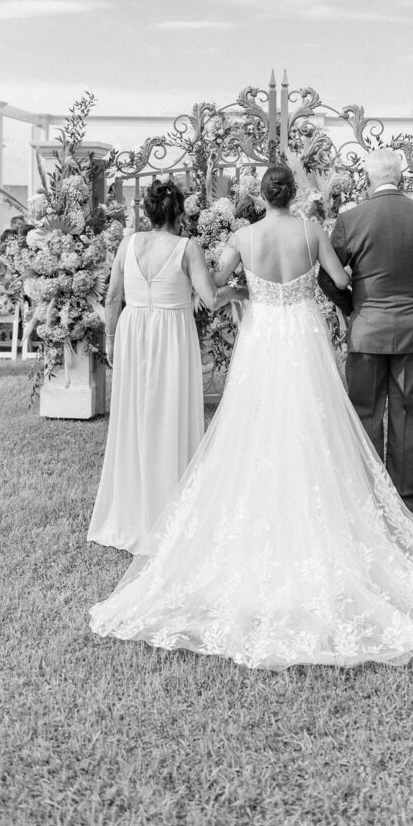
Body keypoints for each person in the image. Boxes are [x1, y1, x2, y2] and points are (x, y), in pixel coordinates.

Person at [89, 164, 413, 669]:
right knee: (314, 419)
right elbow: (339, 278)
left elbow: (217, 282)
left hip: (261, 337)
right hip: (302, 334)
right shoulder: (312, 230)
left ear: (260, 197)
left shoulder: (244, 235)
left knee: (252, 423)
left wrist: (243, 290)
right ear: (293, 194)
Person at [88, 181, 247, 555]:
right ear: (179, 214)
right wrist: (240, 292)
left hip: (133, 329)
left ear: (149, 213)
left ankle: (134, 505)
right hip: (171, 334)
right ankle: (170, 501)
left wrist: (111, 338)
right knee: (168, 411)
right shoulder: (187, 247)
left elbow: (112, 297)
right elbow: (209, 298)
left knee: (136, 414)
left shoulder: (127, 244)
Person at [318, 149, 413, 509]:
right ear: (402, 179)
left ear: (367, 179)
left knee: (365, 413)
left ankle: (368, 497)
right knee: (408, 416)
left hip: (367, 332)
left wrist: (353, 309)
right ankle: (404, 500)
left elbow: (327, 279)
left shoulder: (351, 219)